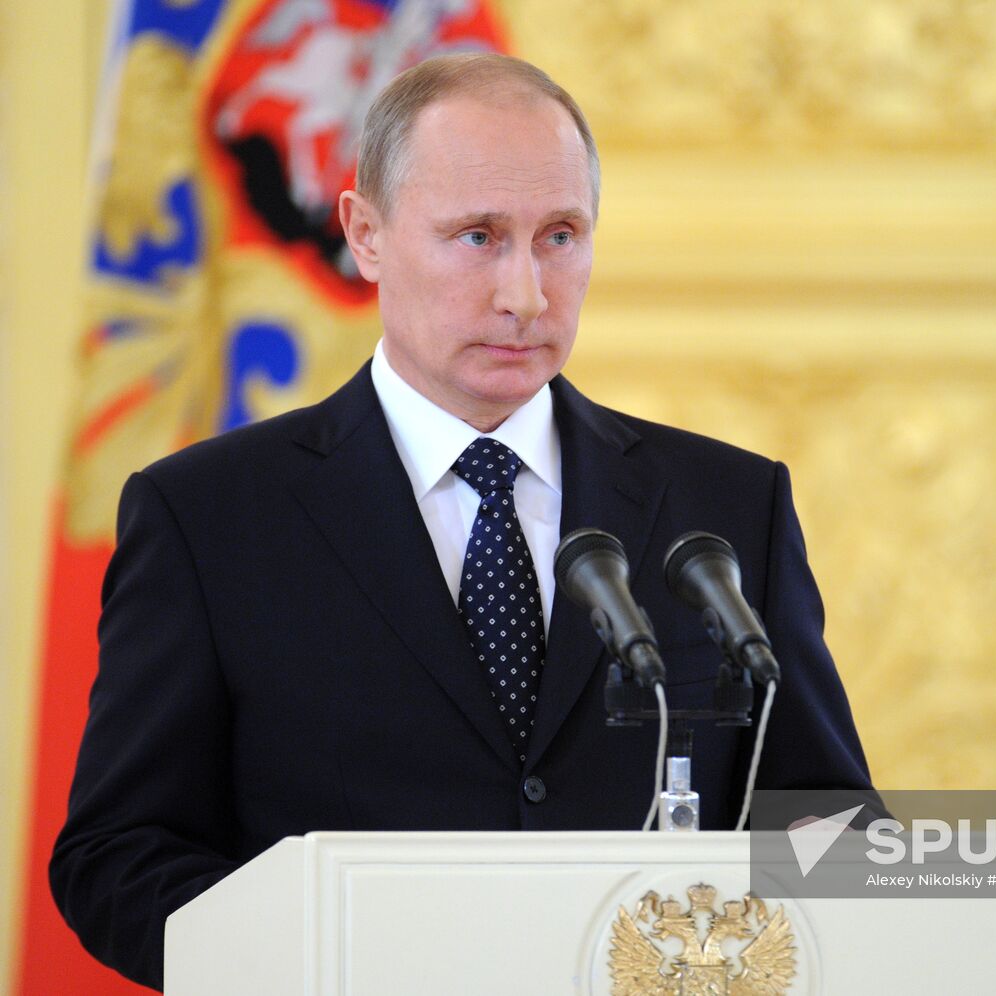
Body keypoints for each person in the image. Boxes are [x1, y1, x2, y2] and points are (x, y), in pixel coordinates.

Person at [50, 53, 872, 991]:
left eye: (560, 235)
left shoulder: (726, 508)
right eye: (478, 236)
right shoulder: (207, 518)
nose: (525, 294)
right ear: (364, 233)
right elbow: (117, 857)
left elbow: (833, 824)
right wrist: (319, 958)